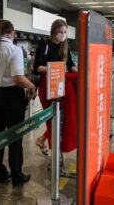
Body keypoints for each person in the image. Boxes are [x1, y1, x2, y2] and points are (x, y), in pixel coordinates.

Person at [0, 19, 36, 186]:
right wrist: (31, 86)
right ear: (11, 33)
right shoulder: (14, 50)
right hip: (12, 97)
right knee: (15, 137)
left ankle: (0, 174)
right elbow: (18, 78)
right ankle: (17, 176)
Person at [34, 19, 77, 155]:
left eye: (65, 32)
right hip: (47, 85)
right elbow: (37, 67)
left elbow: (70, 64)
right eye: (60, 32)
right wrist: (54, 68)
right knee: (53, 119)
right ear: (54, 31)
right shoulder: (44, 45)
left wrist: (79, 73)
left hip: (61, 84)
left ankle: (42, 139)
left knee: (64, 116)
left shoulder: (65, 46)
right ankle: (55, 153)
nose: (63, 35)